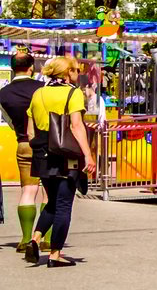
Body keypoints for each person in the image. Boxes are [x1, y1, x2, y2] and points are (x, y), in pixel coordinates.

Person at [24, 56, 95, 268]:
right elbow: (76, 126)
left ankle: (35, 239)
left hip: (42, 153)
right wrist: (88, 155)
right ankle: (55, 254)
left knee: (52, 201)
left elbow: (30, 131)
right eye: (75, 70)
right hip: (66, 154)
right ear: (66, 73)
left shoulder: (38, 93)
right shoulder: (73, 93)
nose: (77, 74)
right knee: (64, 204)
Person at [1, 50, 47, 257]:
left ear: (12, 69)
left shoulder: (3, 94)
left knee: (28, 190)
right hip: (46, 144)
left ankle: (25, 237)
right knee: (49, 190)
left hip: (23, 143)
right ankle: (45, 237)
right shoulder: (42, 89)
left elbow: (9, 121)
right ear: (32, 68)